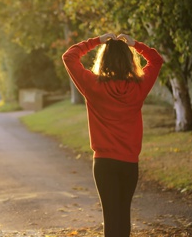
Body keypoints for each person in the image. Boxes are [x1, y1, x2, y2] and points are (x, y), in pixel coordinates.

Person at [62, 33, 163, 237]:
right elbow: (157, 60)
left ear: (104, 60)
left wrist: (97, 41)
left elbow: (69, 56)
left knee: (111, 218)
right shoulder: (139, 86)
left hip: (104, 164)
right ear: (129, 60)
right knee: (123, 217)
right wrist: (136, 44)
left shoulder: (94, 86)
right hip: (129, 163)